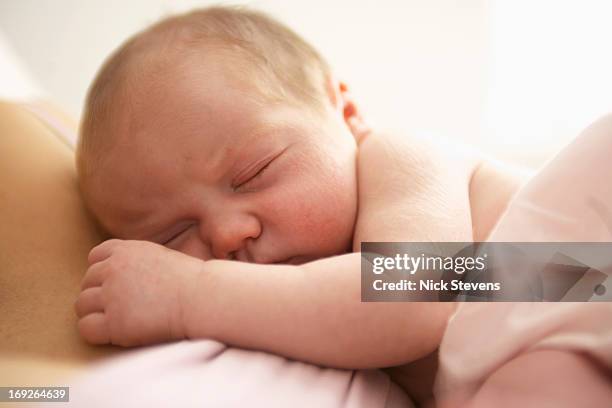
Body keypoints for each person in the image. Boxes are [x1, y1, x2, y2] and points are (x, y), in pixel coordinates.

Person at [73, 6, 521, 404]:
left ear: (346, 113)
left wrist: (189, 293)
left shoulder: (401, 155)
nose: (227, 234)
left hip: (576, 277)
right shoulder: (304, 329)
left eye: (254, 173)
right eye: (172, 235)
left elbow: (410, 298)